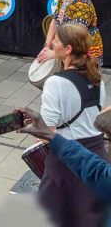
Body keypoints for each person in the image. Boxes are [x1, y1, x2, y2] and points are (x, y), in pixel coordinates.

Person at [35, 23, 107, 227]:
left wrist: (33, 129)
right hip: (96, 157)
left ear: (67, 49)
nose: (52, 43)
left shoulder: (54, 83)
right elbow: (98, 119)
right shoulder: (98, 79)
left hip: (67, 160)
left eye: (56, 41)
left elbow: (46, 134)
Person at [38, 0, 103, 66]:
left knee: (82, 80)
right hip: (67, 50)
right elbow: (55, 21)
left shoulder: (82, 4)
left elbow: (76, 37)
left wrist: (55, 53)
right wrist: (47, 45)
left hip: (84, 54)